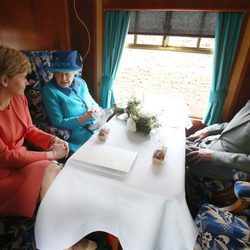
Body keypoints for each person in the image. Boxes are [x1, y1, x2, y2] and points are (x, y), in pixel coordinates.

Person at [0, 46, 97, 250]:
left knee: (53, 168)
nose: (28, 82)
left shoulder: (19, 98)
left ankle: (61, 239)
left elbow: (30, 129)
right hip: (4, 174)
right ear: (5, 80)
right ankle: (66, 242)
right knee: (50, 166)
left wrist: (52, 139)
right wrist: (49, 153)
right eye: (24, 77)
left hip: (20, 161)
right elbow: (6, 157)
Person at [185, 99, 250, 216]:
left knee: (178, 155)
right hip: (211, 145)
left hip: (226, 164)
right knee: (174, 145)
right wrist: (208, 130)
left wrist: (214, 156)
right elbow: (232, 126)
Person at [42, 51, 101, 153]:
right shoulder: (49, 91)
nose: (63, 78)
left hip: (97, 126)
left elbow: (92, 102)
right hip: (78, 137)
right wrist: (84, 118)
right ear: (54, 74)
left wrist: (98, 111)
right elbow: (57, 122)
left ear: (74, 73)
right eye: (58, 73)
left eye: (67, 73)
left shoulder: (81, 83)